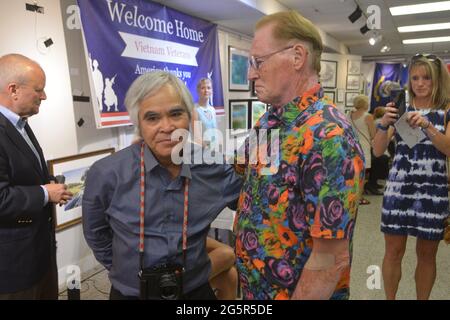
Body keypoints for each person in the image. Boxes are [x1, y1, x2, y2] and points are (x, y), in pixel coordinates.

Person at [234, 11, 365, 300]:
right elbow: (243, 186)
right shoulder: (269, 123)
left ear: (297, 57)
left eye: (258, 62)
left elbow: (330, 261)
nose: (251, 74)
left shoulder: (329, 136)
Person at [82, 70, 242, 300]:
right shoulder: (107, 173)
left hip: (195, 291)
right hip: (132, 293)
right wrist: (126, 270)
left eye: (176, 114)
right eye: (152, 118)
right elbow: (96, 234)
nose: (166, 127)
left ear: (190, 115)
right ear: (139, 123)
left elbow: (253, 202)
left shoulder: (213, 167)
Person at [373, 53, 450, 300]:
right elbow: (376, 150)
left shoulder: (446, 110)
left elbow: (448, 148)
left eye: (426, 77)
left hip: (433, 190)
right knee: (393, 252)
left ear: (437, 79)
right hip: (399, 188)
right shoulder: (401, 107)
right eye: (414, 77)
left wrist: (427, 125)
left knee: (427, 254)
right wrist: (384, 124)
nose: (419, 83)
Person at [0, 54, 73, 299]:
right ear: (13, 90)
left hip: (38, 256)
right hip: (14, 269)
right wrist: (44, 193)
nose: (44, 96)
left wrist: (48, 187)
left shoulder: (20, 123)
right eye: (39, 90)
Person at [348, 95, 378, 203]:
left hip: (351, 147)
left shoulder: (349, 115)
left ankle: (351, 196)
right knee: (362, 175)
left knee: (352, 174)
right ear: (365, 103)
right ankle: (359, 198)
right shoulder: (368, 116)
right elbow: (373, 134)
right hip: (364, 148)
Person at [191, 78, 218, 150]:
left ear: (212, 91)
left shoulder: (212, 110)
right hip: (202, 152)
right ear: (198, 91)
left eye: (209, 88)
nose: (206, 91)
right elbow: (197, 138)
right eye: (203, 88)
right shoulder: (195, 110)